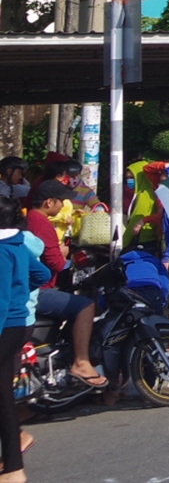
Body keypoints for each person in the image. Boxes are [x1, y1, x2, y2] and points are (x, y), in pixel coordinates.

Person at [25, 180, 104, 389]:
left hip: (37, 287)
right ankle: (81, 362)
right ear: (49, 202)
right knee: (85, 305)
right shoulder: (41, 224)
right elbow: (56, 262)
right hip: (39, 291)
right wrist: (67, 254)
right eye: (61, 202)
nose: (63, 207)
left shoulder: (31, 220)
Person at [1, 195, 52, 482]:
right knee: (4, 397)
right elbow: (42, 273)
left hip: (5, 326)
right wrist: (22, 292)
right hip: (20, 324)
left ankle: (13, 467)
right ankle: (12, 467)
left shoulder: (1, 251)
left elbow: (0, 302)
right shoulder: (17, 245)